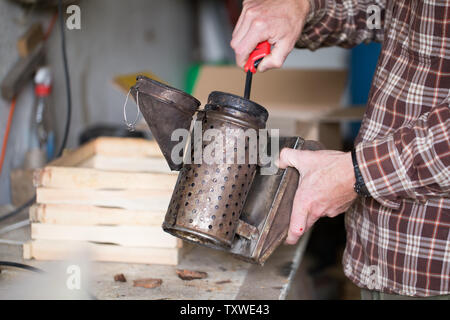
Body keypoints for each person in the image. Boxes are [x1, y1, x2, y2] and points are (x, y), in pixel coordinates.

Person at [231, 0, 449, 299]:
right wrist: (302, 8)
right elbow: (384, 10)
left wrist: (357, 173)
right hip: (382, 254)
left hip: (434, 266)